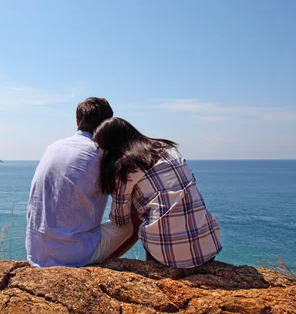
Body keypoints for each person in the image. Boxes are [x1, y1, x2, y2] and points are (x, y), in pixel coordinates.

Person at [92, 117, 222, 268]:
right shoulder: (168, 148)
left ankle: (102, 264)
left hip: (167, 256)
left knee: (138, 219)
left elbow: (120, 219)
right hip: (208, 246)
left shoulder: (125, 168)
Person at [26, 97, 121, 267]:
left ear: (77, 121)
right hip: (72, 255)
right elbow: (123, 212)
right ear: (109, 125)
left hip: (36, 252)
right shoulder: (102, 154)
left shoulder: (54, 146)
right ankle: (98, 267)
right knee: (135, 220)